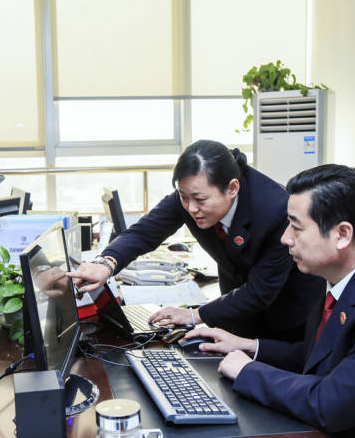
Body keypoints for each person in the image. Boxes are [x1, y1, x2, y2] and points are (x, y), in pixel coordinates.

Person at [184, 164, 355, 436]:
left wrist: (248, 371)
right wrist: (249, 346)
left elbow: (332, 405)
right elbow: (323, 356)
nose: (285, 238)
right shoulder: (337, 275)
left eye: (296, 227)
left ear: (342, 235)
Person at [69, 140, 323, 341]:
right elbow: (144, 232)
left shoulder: (275, 210)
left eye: (200, 200)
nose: (191, 208)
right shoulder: (191, 195)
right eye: (183, 197)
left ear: (232, 188)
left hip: (286, 317)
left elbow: (259, 292)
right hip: (236, 309)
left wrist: (194, 315)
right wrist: (106, 264)